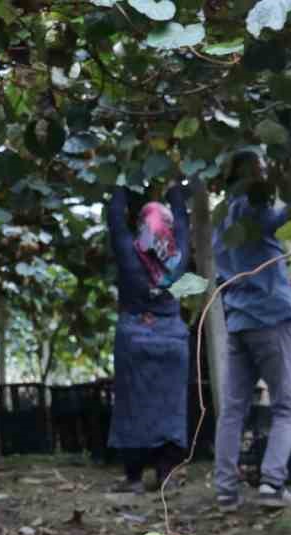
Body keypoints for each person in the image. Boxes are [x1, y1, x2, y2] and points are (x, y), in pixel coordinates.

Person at [213, 151, 291, 509]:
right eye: (263, 170)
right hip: (271, 319)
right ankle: (271, 485)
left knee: (232, 409)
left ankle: (225, 491)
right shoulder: (257, 210)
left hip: (237, 320)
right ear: (252, 175)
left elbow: (239, 269)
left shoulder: (222, 218)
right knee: (287, 407)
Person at [106, 184, 191, 493]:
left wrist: (121, 190)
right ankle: (165, 475)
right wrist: (175, 194)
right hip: (172, 341)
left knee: (132, 408)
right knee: (169, 409)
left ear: (142, 226)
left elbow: (115, 220)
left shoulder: (129, 252)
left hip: (135, 339)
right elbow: (182, 222)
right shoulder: (178, 258)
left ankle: (133, 479)